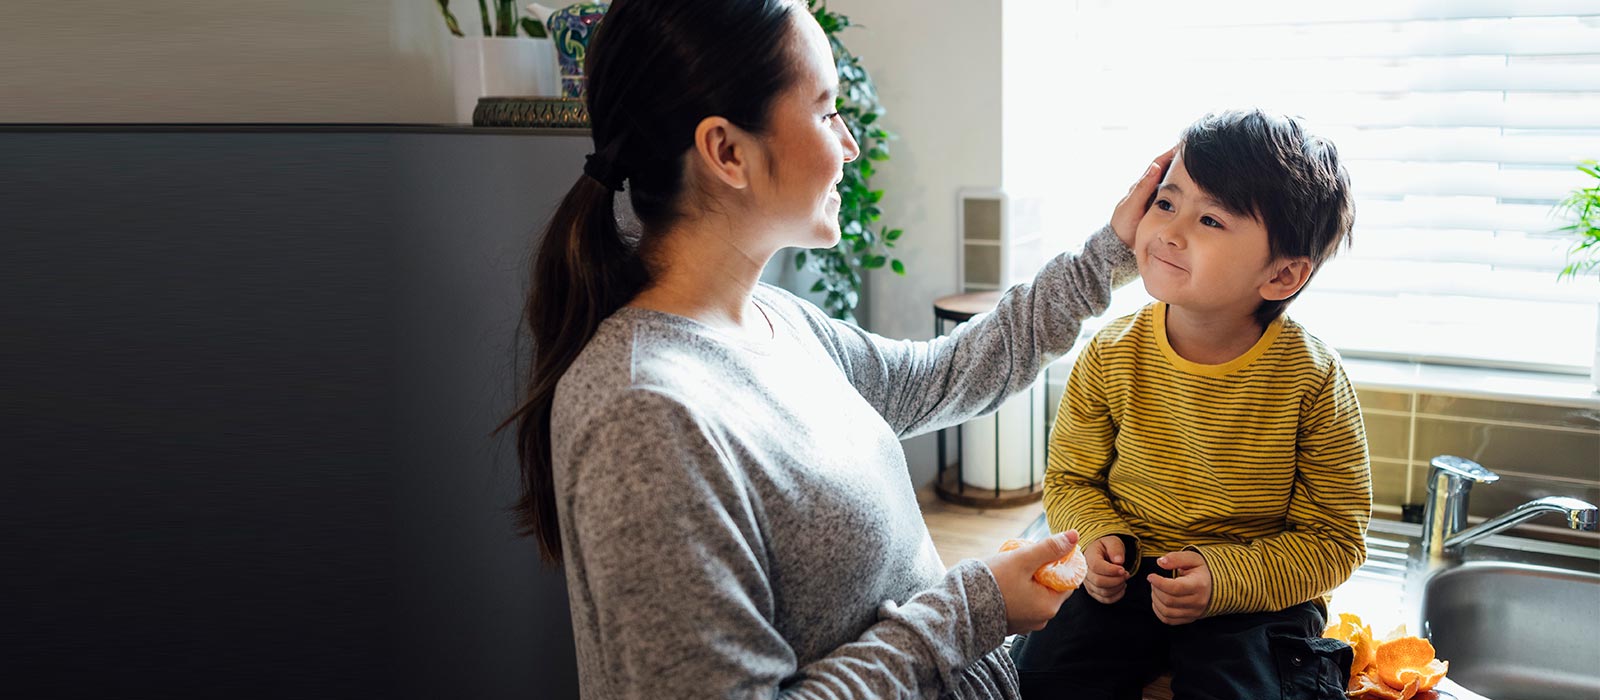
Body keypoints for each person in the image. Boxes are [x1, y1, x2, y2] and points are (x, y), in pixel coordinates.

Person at [498, 0, 1174, 696]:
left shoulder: (772, 320)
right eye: (825, 112)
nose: (850, 143)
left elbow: (943, 377)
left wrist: (1110, 255)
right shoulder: (646, 418)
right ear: (727, 151)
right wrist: (973, 608)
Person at [1009, 109, 1372, 700]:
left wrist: (1225, 580)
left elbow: (1335, 539)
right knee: (1035, 681)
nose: (1170, 232)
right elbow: (1072, 479)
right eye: (1166, 203)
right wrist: (1097, 536)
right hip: (1122, 578)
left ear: (1282, 275)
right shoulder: (1109, 354)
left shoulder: (1313, 378)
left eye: (1209, 218)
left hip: (1255, 593)